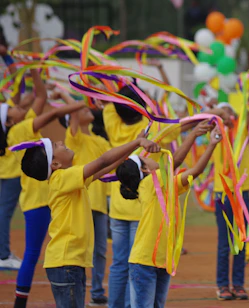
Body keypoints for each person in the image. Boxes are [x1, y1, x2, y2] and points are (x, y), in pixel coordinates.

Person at [15, 130, 160, 308]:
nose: (60, 142)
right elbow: (102, 161)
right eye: (55, 145)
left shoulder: (68, 178)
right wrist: (136, 143)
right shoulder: (62, 178)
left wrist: (134, 146)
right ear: (55, 163)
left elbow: (106, 166)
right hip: (65, 262)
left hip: (69, 262)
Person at [117, 123, 220, 308]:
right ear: (145, 170)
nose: (152, 158)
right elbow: (184, 166)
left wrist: (197, 135)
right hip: (144, 262)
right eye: (145, 159)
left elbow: (189, 169)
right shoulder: (148, 186)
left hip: (162, 261)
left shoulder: (163, 186)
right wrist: (206, 141)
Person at [4, 71, 83, 308]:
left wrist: (35, 73)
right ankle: (20, 301)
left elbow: (39, 96)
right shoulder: (21, 129)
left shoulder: (21, 127)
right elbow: (55, 112)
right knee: (32, 252)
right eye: (12, 110)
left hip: (45, 197)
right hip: (38, 201)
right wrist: (84, 101)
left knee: (42, 249)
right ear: (9, 121)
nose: (18, 107)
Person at [55, 90, 112, 305]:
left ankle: (97, 293)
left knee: (100, 251)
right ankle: (81, 290)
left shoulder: (99, 140)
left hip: (99, 202)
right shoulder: (74, 139)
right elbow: (76, 110)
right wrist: (67, 94)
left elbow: (112, 160)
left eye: (88, 108)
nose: (86, 109)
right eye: (83, 109)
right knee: (82, 250)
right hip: (82, 201)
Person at [211, 103, 249, 301]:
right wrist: (220, 115)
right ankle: (222, 285)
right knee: (224, 243)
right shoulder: (214, 132)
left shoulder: (242, 130)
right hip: (223, 193)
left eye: (231, 111)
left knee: (241, 241)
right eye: (224, 112)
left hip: (242, 192)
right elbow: (210, 115)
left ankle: (238, 284)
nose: (228, 114)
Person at [0, 44, 24, 270]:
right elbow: (20, 87)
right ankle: (3, 254)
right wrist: (8, 58)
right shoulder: (10, 121)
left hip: (4, 171)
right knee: (5, 213)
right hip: (11, 172)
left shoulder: (4, 116)